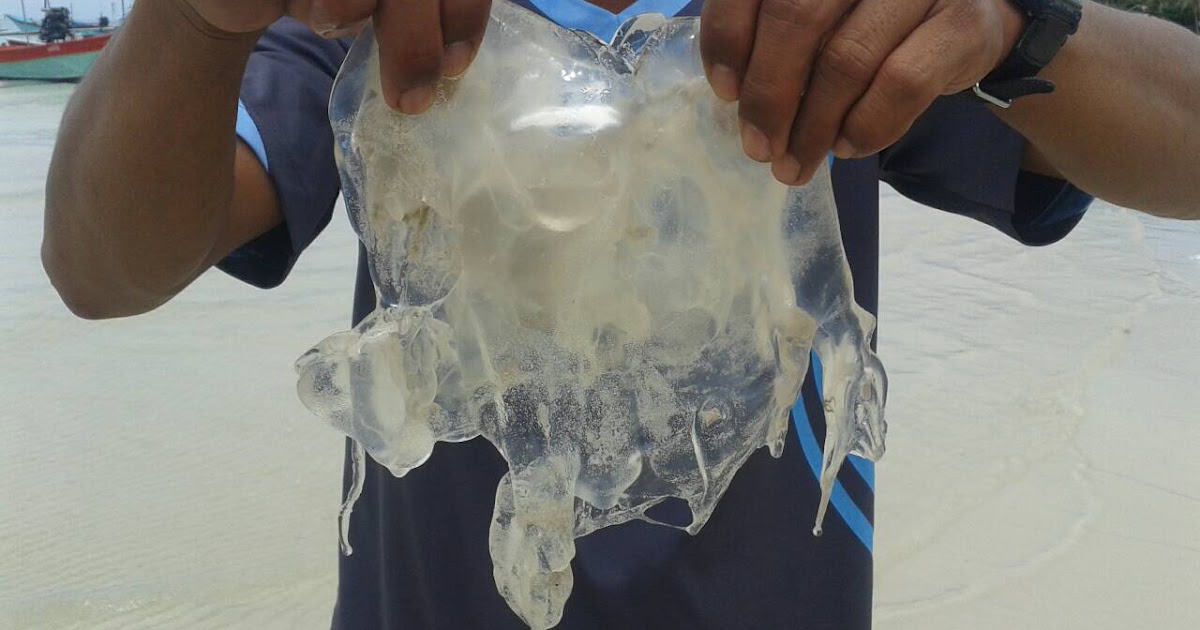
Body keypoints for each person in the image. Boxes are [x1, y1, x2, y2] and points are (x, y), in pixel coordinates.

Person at [41, 0, 1199, 628]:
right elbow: (100, 266)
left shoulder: (831, 23)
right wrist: (196, 22)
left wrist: (1007, 21)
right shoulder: (375, 20)